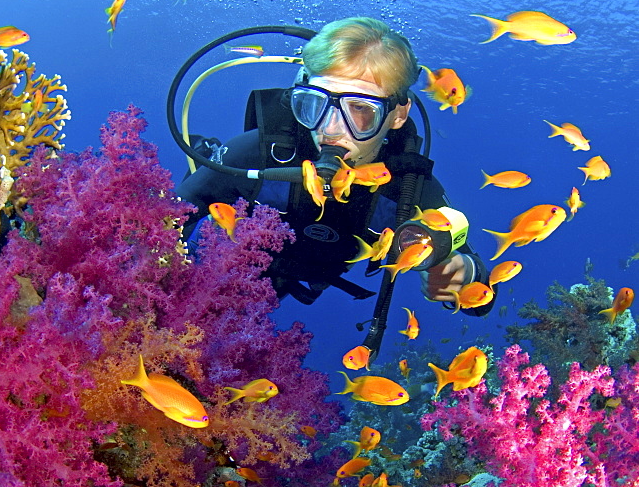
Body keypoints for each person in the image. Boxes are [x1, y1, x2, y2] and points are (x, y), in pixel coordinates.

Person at [177, 17, 494, 317]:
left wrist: (463, 272)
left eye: (359, 109)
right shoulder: (258, 153)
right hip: (237, 258)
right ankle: (207, 151)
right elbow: (168, 216)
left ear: (398, 114)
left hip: (299, 278)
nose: (329, 128)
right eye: (314, 102)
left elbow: (479, 299)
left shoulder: (406, 187)